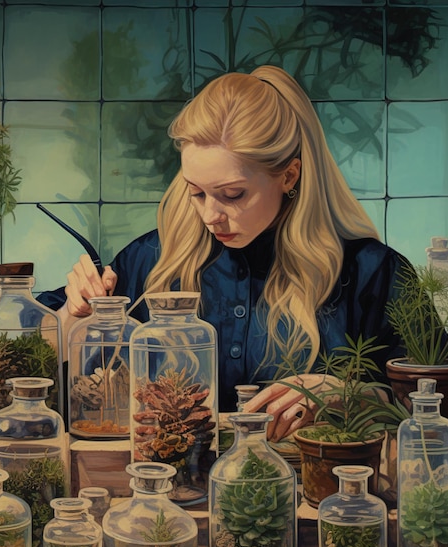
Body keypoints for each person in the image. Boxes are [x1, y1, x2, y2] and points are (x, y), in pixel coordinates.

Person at [38, 65, 412, 443]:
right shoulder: (152, 259)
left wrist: (348, 397)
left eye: (233, 195)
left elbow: (435, 402)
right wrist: (73, 315)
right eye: (196, 192)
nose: (210, 216)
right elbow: (34, 366)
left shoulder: (371, 272)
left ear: (289, 176)